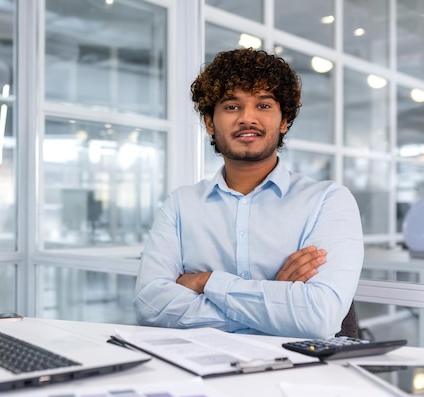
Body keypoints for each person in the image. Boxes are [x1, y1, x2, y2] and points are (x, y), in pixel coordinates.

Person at [133, 48, 364, 339]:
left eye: (264, 106)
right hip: (200, 369)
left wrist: (207, 282)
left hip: (300, 375)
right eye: (231, 106)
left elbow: (319, 317)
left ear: (283, 121)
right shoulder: (180, 204)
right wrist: (275, 299)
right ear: (209, 123)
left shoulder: (328, 200)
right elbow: (149, 305)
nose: (247, 118)